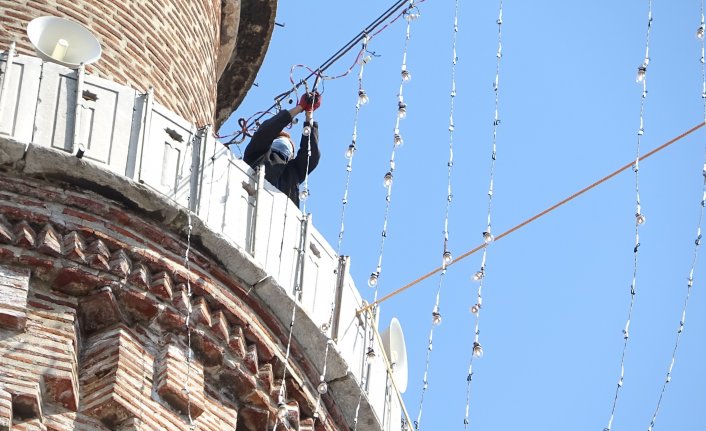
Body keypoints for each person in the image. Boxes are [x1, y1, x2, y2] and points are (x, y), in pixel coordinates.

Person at [243, 92, 322, 207]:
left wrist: (309, 115)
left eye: (290, 144)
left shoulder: (294, 171)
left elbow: (311, 153)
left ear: (292, 156)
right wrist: (299, 108)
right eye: (280, 138)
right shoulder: (257, 155)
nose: (285, 143)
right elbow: (266, 131)